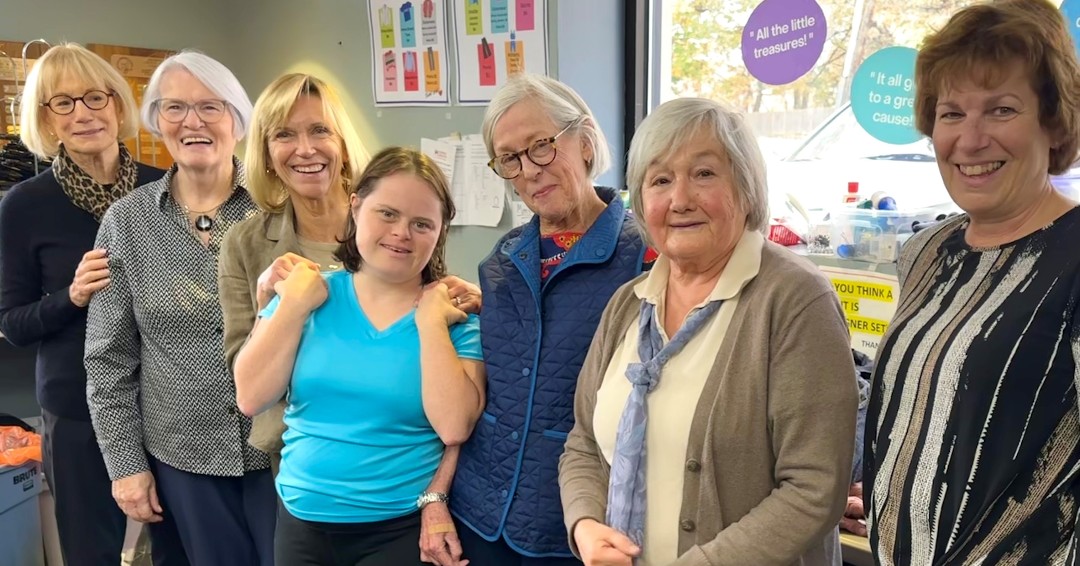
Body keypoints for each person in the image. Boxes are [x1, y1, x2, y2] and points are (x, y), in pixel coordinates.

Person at [559, 97, 858, 566]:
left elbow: (814, 488)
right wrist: (586, 524)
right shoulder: (628, 303)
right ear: (641, 203)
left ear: (746, 187)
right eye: (660, 180)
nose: (680, 200)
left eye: (703, 174)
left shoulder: (796, 300)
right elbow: (583, 442)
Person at [864, 1, 1080, 563]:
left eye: (1002, 110)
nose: (971, 139)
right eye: (952, 114)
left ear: (1053, 122)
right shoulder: (927, 251)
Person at [219, 72, 481, 479]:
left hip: (397, 463)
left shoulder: (391, 216)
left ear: (341, 141)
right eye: (284, 134)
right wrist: (271, 309)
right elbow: (247, 379)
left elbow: (433, 323)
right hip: (296, 458)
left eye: (320, 130)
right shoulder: (246, 243)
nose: (305, 149)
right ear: (267, 153)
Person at [233, 147, 485, 565]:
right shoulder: (306, 295)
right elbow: (251, 397)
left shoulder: (458, 320)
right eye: (387, 213)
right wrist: (292, 306)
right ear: (356, 206)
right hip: (300, 522)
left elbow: (455, 426)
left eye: (422, 223)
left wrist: (428, 322)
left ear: (439, 233)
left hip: (397, 529)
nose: (402, 232)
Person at [449, 73, 655, 565]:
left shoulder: (645, 257)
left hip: (576, 524)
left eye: (541, 146)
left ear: (584, 142)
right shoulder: (503, 259)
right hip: (480, 513)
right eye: (510, 158)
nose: (529, 170)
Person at [85, 51, 273, 565]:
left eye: (210, 106)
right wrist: (124, 465)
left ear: (237, 119)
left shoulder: (277, 208)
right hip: (183, 457)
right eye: (174, 108)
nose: (193, 122)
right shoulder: (127, 223)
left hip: (283, 448)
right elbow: (107, 358)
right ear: (156, 123)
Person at [0, 42, 164, 566]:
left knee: (182, 544)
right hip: (79, 406)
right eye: (63, 103)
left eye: (96, 97)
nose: (84, 113)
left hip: (170, 401)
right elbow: (13, 325)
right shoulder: (25, 206)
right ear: (46, 121)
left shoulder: (164, 189)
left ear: (118, 105)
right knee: (92, 550)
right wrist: (70, 297)